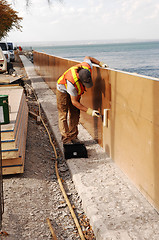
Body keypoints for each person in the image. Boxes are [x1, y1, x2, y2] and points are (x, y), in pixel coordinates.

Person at [56, 56, 108, 144]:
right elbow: (74, 102)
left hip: (74, 92)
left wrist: (100, 63)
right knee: (63, 114)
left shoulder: (87, 67)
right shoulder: (72, 82)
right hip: (62, 89)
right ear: (80, 80)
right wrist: (90, 111)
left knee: (75, 113)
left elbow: (88, 57)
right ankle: (66, 139)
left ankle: (73, 136)